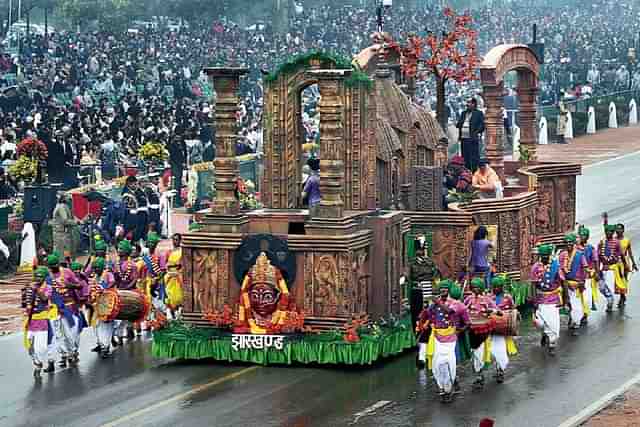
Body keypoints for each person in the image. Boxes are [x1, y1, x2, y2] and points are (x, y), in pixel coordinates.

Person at [419, 280, 469, 402]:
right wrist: (423, 322)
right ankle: (442, 387)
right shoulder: (434, 304)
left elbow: (450, 311)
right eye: (441, 290)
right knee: (437, 364)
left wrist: (460, 330)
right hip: (436, 337)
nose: (442, 292)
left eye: (445, 290)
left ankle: (448, 389)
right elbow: (428, 315)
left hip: (450, 338)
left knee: (448, 362)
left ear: (449, 291)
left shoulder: (455, 304)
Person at [47, 253, 84, 368]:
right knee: (57, 335)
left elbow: (79, 286)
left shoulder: (67, 272)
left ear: (58, 263)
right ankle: (65, 354)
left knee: (71, 333)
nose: (54, 268)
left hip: (70, 308)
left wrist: (70, 285)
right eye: (51, 266)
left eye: (55, 265)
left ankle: (73, 351)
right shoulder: (48, 277)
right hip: (55, 309)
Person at [464, 278, 497, 388]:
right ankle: (478, 374)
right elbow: (462, 309)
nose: (475, 289)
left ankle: (480, 375)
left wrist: (490, 311)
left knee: (480, 353)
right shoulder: (468, 299)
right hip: (471, 330)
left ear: (481, 288)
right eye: (473, 287)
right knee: (474, 354)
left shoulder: (487, 300)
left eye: (477, 287)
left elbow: (497, 311)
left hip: (483, 331)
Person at [23, 267, 55, 378]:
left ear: (44, 277)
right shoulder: (30, 287)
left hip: (42, 320)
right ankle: (37, 362)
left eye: (40, 276)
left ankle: (38, 365)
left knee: (40, 347)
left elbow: (45, 298)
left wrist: (36, 290)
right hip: (31, 320)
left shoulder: (49, 288)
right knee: (29, 346)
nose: (37, 278)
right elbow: (25, 303)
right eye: (36, 276)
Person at [531, 244, 561, 355]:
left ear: (549, 255)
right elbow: (533, 285)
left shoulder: (555, 266)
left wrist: (566, 300)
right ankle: (544, 333)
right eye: (541, 256)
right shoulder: (535, 267)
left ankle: (552, 344)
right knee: (540, 323)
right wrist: (534, 301)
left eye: (545, 256)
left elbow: (563, 281)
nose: (543, 258)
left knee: (553, 324)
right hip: (540, 299)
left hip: (553, 299)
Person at [558, 233, 588, 336]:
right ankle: (571, 319)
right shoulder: (562, 255)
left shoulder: (580, 254)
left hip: (576, 284)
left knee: (576, 306)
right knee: (566, 304)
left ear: (574, 243)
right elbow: (560, 269)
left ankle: (576, 325)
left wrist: (582, 281)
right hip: (564, 284)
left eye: (570, 242)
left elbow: (585, 268)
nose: (569, 244)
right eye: (566, 243)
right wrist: (563, 282)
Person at [489, 276, 517, 383]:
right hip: (491, 329)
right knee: (493, 350)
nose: (495, 289)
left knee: (500, 349)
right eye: (494, 287)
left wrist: (513, 317)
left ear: (502, 287)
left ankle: (500, 370)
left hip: (503, 330)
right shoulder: (489, 298)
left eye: (498, 287)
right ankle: (497, 367)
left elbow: (513, 310)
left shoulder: (508, 297)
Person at [89, 257, 116, 358]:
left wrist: (104, 288)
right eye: (94, 268)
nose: (95, 270)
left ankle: (106, 346)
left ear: (101, 267)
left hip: (108, 303)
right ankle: (102, 344)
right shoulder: (94, 277)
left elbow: (113, 283)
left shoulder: (108, 274)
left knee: (106, 326)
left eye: (97, 268)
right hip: (97, 305)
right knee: (97, 325)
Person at [113, 239, 138, 342]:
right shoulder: (116, 264)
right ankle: (119, 335)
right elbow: (115, 279)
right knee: (119, 314)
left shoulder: (132, 265)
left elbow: (135, 279)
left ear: (126, 252)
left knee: (129, 313)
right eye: (118, 248)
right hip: (119, 291)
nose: (118, 250)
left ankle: (130, 329)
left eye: (120, 249)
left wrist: (127, 289)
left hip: (130, 291)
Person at [597, 224, 622, 311]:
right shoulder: (601, 242)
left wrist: (622, 268)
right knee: (601, 287)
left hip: (613, 268)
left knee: (610, 286)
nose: (609, 233)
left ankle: (610, 302)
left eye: (611, 231)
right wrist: (598, 269)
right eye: (607, 231)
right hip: (603, 268)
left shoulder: (617, 242)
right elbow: (598, 256)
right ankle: (609, 297)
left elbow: (619, 254)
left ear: (613, 232)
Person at [456, 98, 485, 173]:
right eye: (467, 102)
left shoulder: (478, 113)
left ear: (473, 104)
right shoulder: (463, 113)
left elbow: (482, 125)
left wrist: (476, 132)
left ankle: (475, 172)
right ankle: (466, 173)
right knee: (465, 156)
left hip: (472, 138)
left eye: (469, 103)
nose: (467, 104)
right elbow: (459, 123)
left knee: (474, 156)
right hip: (463, 138)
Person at [577, 226, 597, 321]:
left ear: (587, 237)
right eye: (580, 235)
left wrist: (595, 272)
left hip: (587, 276)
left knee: (586, 297)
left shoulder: (590, 248)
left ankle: (585, 313)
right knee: (576, 297)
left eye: (584, 235)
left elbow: (595, 260)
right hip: (576, 277)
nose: (581, 237)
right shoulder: (574, 248)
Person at [51, 193, 76, 262]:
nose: (69, 199)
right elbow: (65, 220)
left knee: (62, 251)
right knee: (62, 253)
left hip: (61, 233)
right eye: (67, 197)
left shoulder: (62, 206)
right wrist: (76, 222)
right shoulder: (61, 207)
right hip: (61, 234)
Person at [165, 233, 183, 319]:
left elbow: (183, 265)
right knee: (170, 296)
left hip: (178, 276)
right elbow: (166, 264)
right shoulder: (169, 252)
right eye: (173, 239)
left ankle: (178, 315)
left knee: (179, 297)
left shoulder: (182, 251)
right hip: (169, 277)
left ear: (180, 240)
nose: (174, 241)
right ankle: (171, 315)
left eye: (176, 239)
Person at [121, 176, 140, 242]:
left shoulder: (132, 192)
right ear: (129, 184)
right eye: (134, 184)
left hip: (134, 215)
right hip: (130, 216)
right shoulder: (127, 195)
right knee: (127, 232)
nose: (136, 186)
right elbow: (126, 208)